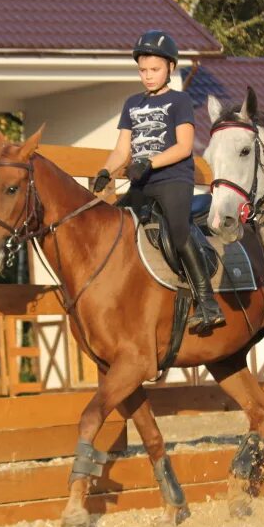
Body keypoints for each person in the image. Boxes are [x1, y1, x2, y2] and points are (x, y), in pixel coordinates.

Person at [93, 30, 225, 331]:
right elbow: (122, 149)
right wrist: (105, 171)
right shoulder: (131, 103)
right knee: (113, 226)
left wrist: (148, 163)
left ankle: (207, 302)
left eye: (154, 70)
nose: (148, 76)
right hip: (142, 183)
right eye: (143, 70)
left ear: (170, 69)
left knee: (178, 232)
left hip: (172, 180)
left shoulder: (180, 101)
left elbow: (183, 147)